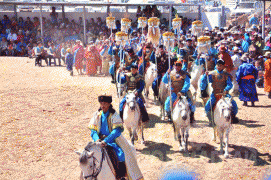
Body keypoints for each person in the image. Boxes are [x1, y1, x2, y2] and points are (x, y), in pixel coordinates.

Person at [88, 94, 143, 180]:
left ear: (109, 104)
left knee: (121, 155)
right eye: (101, 104)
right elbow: (93, 130)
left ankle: (121, 176)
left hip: (112, 140)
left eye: (105, 104)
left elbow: (116, 131)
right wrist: (96, 139)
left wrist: (106, 141)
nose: (103, 106)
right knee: (87, 156)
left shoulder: (114, 115)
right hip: (98, 140)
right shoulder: (97, 114)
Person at [200, 59, 239, 126]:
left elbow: (230, 84)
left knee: (233, 105)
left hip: (224, 94)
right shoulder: (212, 74)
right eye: (218, 65)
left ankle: (232, 117)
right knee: (208, 106)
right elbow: (205, 81)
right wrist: (205, 75)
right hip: (215, 93)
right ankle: (211, 119)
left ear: (223, 66)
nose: (219, 67)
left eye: (221, 65)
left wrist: (226, 90)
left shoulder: (226, 75)